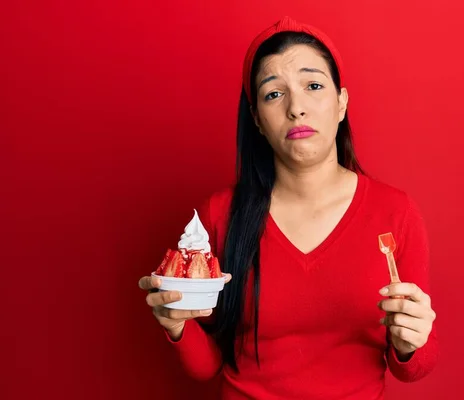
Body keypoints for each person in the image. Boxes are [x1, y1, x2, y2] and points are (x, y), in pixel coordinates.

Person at [138, 16, 438, 399]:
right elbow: (208, 366)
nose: (297, 108)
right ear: (258, 121)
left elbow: (416, 367)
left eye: (313, 86)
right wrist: (176, 324)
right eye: (273, 94)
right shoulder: (219, 215)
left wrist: (411, 342)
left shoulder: (396, 213)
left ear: (342, 102)